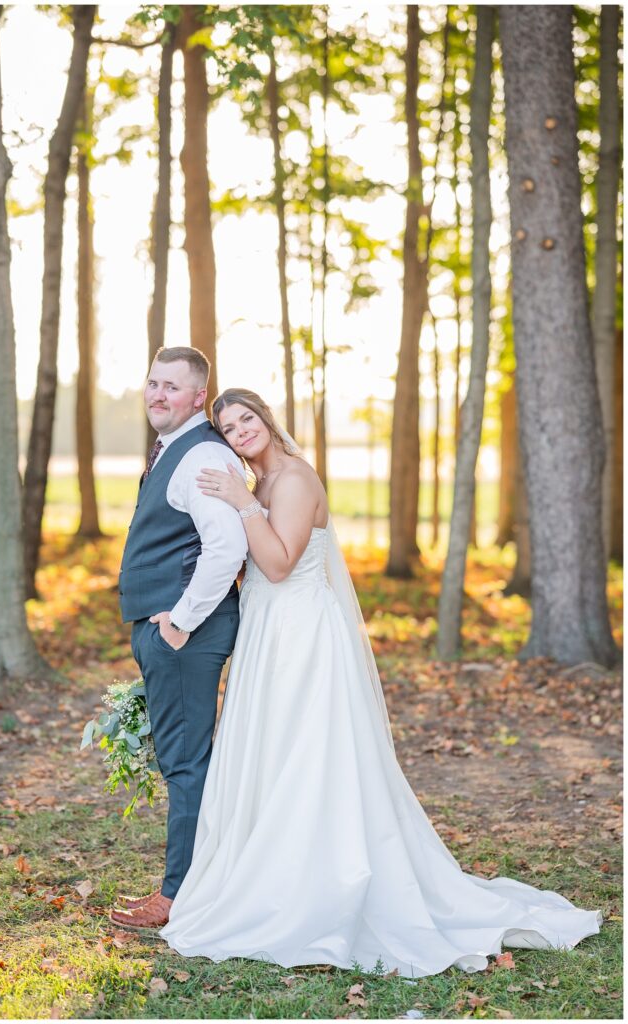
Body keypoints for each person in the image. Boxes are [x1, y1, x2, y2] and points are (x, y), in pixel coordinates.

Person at [159, 387, 602, 976]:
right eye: (230, 428)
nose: (241, 432)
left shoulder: (293, 480)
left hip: (301, 633)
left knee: (306, 753)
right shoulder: (260, 484)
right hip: (267, 630)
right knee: (272, 752)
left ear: (266, 418)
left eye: (247, 419)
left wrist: (241, 503)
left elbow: (280, 564)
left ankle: (317, 882)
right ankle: (274, 870)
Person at [109, 350, 247, 932]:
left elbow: (227, 547)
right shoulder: (175, 448)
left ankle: (180, 897)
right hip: (173, 630)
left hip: (187, 634)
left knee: (185, 762)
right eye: (153, 383)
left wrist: (181, 622)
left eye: (172, 386)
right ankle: (195, 880)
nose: (158, 394)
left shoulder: (202, 455)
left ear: (198, 398)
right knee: (184, 759)